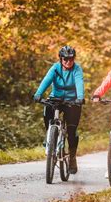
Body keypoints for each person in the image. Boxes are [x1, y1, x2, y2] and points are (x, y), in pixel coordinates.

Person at [33, 45, 84, 174]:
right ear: (60, 59)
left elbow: (79, 82)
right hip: (56, 98)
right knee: (47, 109)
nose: (68, 61)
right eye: (65, 59)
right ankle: (50, 134)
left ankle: (72, 158)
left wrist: (80, 97)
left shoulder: (77, 69)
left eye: (71, 59)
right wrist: (38, 94)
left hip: (72, 101)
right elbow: (46, 80)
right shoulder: (55, 68)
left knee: (72, 131)